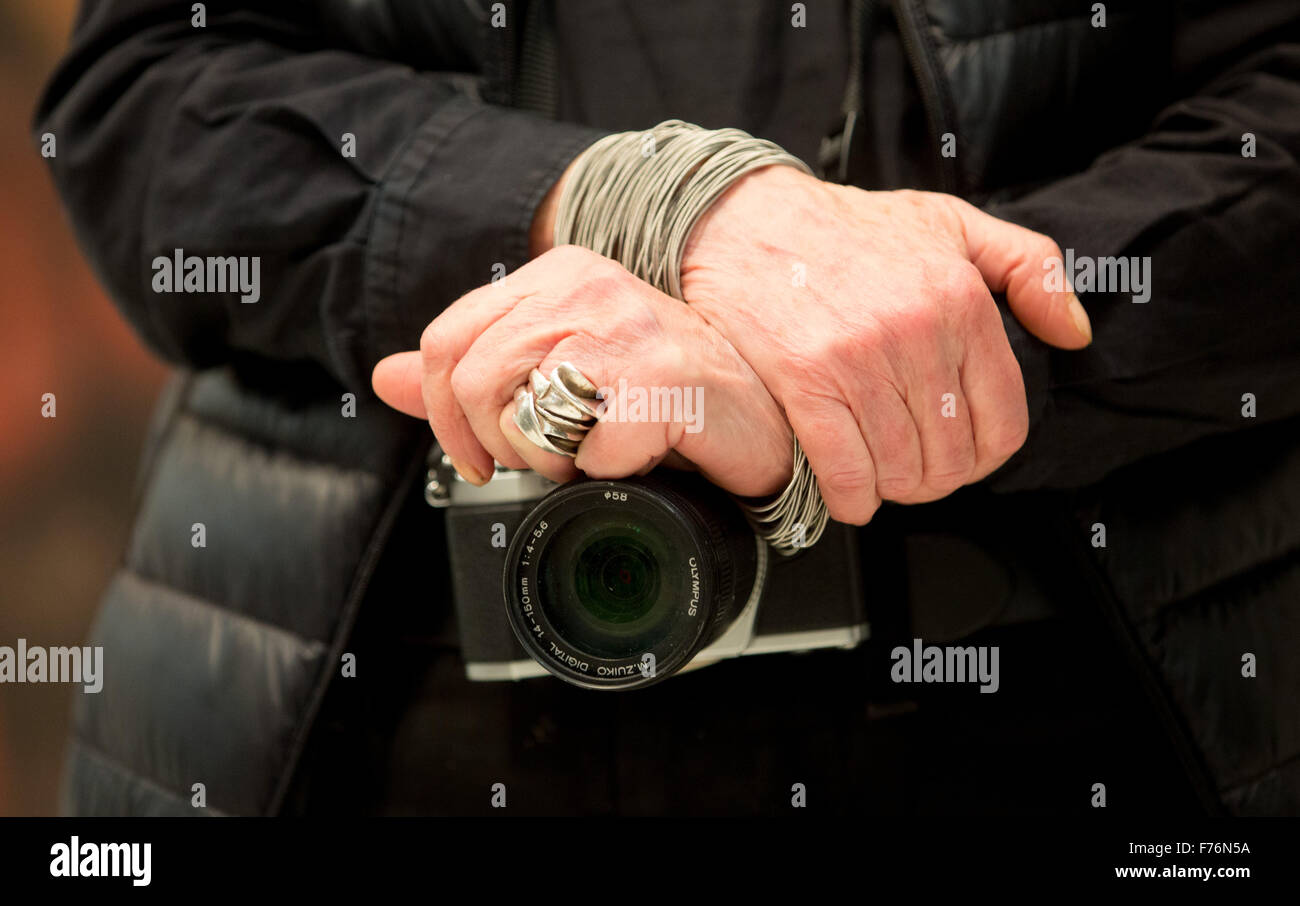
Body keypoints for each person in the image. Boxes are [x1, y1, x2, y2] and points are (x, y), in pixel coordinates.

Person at [36, 0, 1300, 815]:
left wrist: (898, 339)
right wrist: (638, 201)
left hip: (1097, 702)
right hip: (379, 718)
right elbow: (143, 106)